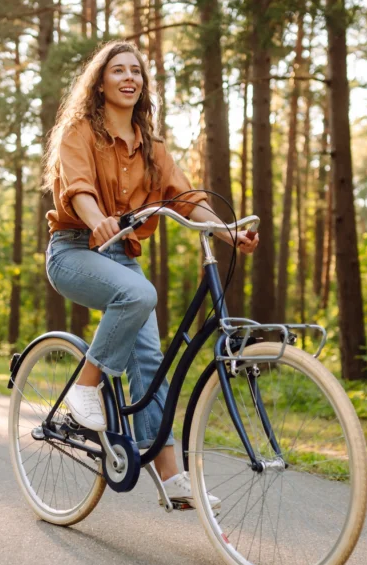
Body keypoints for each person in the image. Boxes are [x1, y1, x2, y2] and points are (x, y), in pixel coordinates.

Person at [42, 40, 259, 508]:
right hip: (74, 250)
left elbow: (186, 198)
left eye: (136, 72)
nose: (129, 78)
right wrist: (97, 216)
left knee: (150, 364)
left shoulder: (153, 148)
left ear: (143, 85)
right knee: (140, 294)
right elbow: (77, 186)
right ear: (99, 83)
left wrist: (227, 232)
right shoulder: (78, 131)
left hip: (122, 257)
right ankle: (85, 390)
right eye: (117, 70)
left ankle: (171, 478)